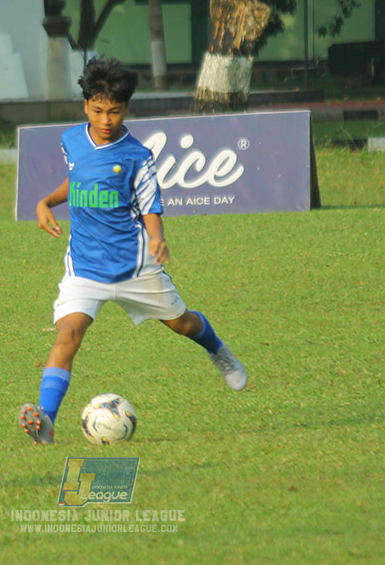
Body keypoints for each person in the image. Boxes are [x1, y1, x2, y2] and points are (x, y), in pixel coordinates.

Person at [19, 56, 248, 445]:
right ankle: (46, 421)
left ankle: (218, 349)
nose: (105, 120)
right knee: (67, 335)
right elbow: (77, 178)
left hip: (134, 266)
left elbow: (150, 205)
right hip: (85, 267)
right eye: (98, 110)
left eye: (114, 111)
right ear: (86, 106)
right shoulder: (71, 140)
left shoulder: (137, 156)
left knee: (181, 324)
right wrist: (46, 202)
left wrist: (156, 236)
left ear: (126, 108)